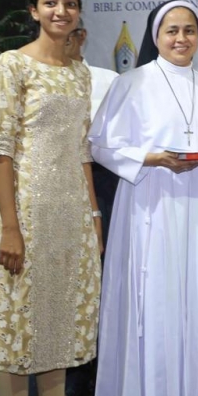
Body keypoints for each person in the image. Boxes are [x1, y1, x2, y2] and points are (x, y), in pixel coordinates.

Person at [89, 0, 198, 396]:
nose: (181, 38)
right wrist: (152, 158)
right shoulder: (131, 83)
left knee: (195, 298)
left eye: (189, 30)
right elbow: (100, 145)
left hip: (197, 209)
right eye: (171, 30)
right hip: (149, 205)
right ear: (156, 36)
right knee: (154, 299)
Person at [0, 0, 102, 396]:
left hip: (70, 216)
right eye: (51, 3)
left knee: (57, 331)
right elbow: (2, 149)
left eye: (69, 3)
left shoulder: (80, 73)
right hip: (23, 214)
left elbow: (82, 150)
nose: (60, 11)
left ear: (78, 11)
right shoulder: (13, 64)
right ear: (34, 10)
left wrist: (94, 216)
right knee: (14, 332)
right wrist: (10, 228)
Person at [64, 19, 119, 244]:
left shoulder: (110, 80)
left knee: (102, 250)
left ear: (82, 35)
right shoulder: (36, 81)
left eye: (68, 33)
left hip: (101, 179)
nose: (60, 40)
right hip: (54, 179)